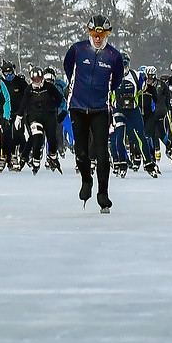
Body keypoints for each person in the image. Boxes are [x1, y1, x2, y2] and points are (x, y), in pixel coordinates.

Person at [63, 13, 127, 211]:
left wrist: (102, 94)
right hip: (78, 107)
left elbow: (116, 81)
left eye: (102, 34)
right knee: (81, 152)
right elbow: (67, 69)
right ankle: (86, 180)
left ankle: (103, 194)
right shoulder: (77, 50)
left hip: (100, 109)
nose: (98, 37)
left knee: (101, 153)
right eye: (94, 33)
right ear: (89, 32)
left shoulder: (114, 56)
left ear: (107, 34)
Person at [0, 59, 32, 170]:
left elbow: (28, 94)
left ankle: (19, 155)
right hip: (5, 113)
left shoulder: (20, 81)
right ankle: (5, 157)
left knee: (18, 134)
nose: (9, 75)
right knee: (5, 135)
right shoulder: (0, 83)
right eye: (6, 73)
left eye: (10, 72)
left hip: (19, 113)